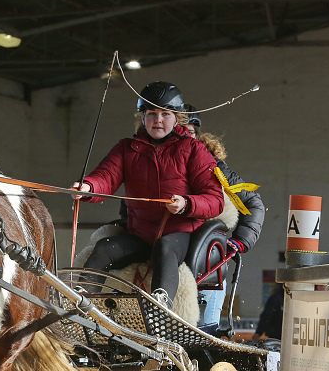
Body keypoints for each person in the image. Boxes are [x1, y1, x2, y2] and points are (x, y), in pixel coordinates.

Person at [72, 82, 224, 308]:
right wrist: (87, 188)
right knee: (104, 247)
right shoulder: (126, 148)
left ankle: (160, 308)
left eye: (165, 114)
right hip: (140, 236)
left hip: (179, 236)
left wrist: (186, 204)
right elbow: (106, 176)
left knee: (165, 247)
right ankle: (79, 302)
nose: (158, 120)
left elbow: (215, 200)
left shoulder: (194, 150)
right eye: (151, 113)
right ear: (143, 117)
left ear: (177, 118)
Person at [183, 104, 266, 333]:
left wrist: (240, 241)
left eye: (188, 133)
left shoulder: (216, 170)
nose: (183, 140)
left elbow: (253, 202)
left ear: (197, 137)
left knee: (201, 339)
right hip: (164, 264)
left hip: (207, 267)